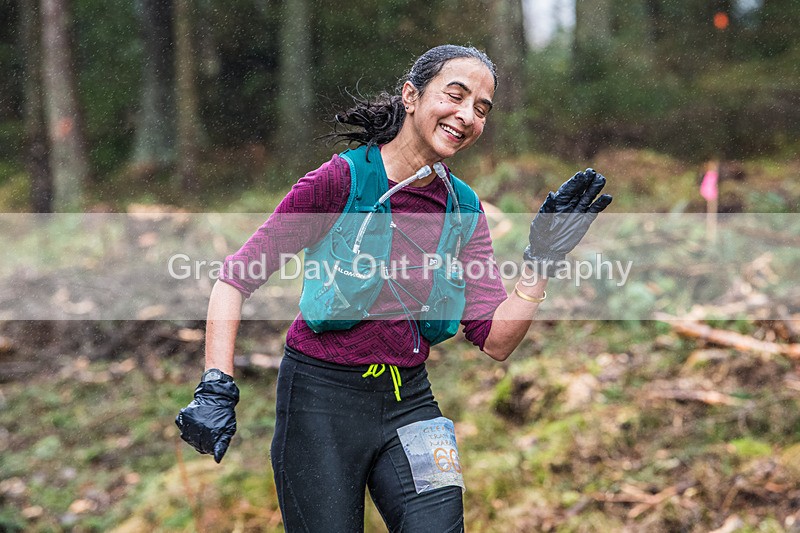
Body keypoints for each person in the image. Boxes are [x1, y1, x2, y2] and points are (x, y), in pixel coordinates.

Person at [175, 44, 611, 532]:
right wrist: (216, 384)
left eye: (481, 109)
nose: (466, 116)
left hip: (411, 400)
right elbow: (234, 279)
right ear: (411, 95)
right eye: (456, 95)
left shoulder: (463, 208)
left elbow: (496, 340)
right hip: (320, 401)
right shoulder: (340, 180)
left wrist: (541, 260)